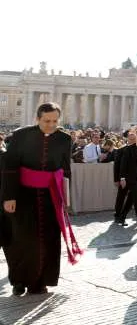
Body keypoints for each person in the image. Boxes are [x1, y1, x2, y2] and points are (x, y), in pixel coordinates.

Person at [0, 102, 82, 296]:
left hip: (50, 196)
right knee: (21, 240)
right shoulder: (21, 135)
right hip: (22, 195)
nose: (51, 125)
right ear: (37, 118)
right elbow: (10, 167)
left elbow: (65, 169)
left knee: (48, 239)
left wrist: (65, 198)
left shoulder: (64, 138)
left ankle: (40, 281)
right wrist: (9, 197)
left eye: (55, 121)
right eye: (47, 121)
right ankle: (19, 280)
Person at [117, 130, 137, 227]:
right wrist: (122, 178)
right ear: (136, 138)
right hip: (130, 178)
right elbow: (123, 164)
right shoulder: (129, 149)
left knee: (131, 199)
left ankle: (121, 218)